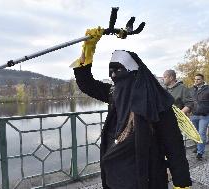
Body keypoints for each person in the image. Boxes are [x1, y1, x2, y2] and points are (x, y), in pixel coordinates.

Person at [71, 27, 191, 189]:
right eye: (111, 71)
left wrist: (181, 183)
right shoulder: (115, 93)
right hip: (115, 176)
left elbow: (174, 147)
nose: (113, 76)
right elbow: (87, 84)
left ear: (135, 74)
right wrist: (88, 48)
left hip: (146, 177)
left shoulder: (157, 102)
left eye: (118, 70)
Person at [190, 73, 209, 160]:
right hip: (194, 115)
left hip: (204, 115)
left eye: (198, 79)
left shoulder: (207, 89)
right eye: (195, 79)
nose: (196, 81)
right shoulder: (192, 90)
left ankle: (200, 153)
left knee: (201, 133)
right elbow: (189, 101)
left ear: (202, 80)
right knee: (195, 133)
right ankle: (198, 146)